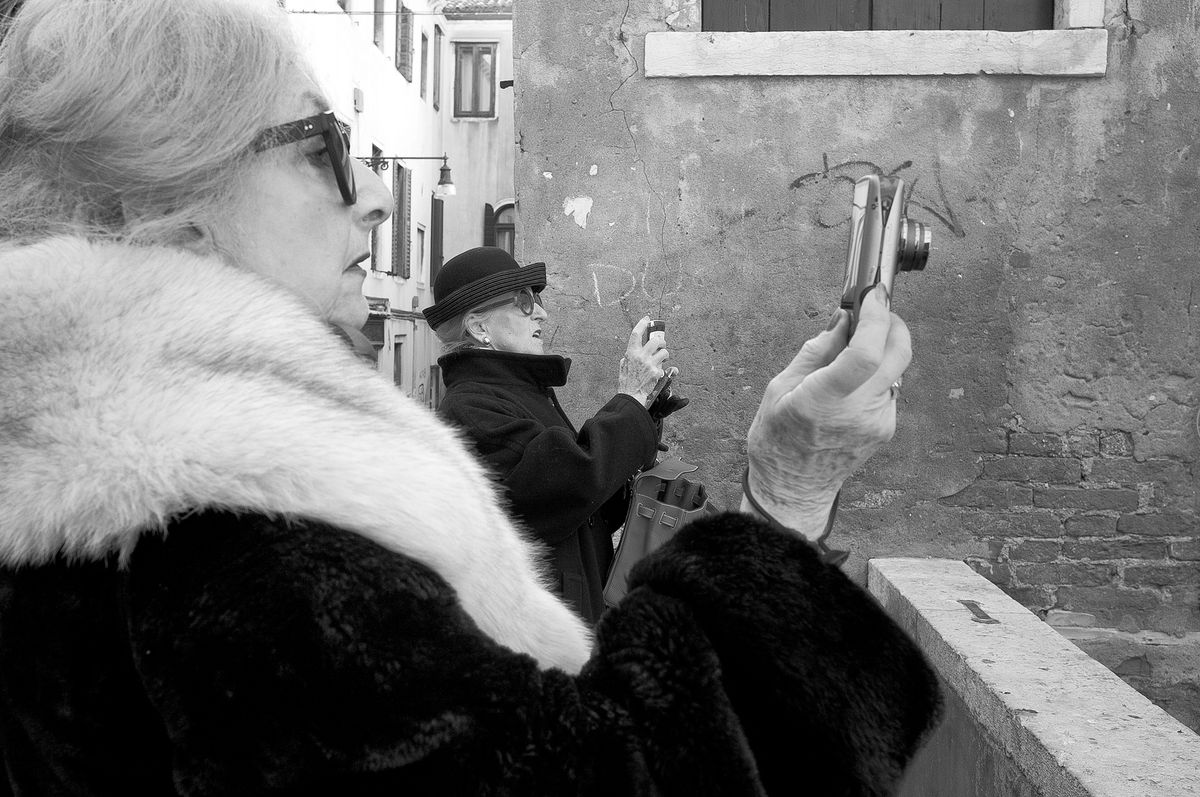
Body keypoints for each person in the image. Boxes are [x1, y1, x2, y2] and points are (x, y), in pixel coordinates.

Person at [0, 1, 940, 795]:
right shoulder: (230, 550)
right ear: (166, 207)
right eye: (321, 143)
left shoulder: (131, 501)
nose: (370, 191)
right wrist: (784, 491)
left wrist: (642, 422)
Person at [423, 246, 686, 624]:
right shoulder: (471, 408)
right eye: (523, 301)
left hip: (573, 609)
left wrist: (644, 413)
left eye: (537, 299)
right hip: (542, 626)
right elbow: (570, 484)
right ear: (479, 327)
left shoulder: (517, 393)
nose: (542, 312)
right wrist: (630, 398)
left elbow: (585, 505)